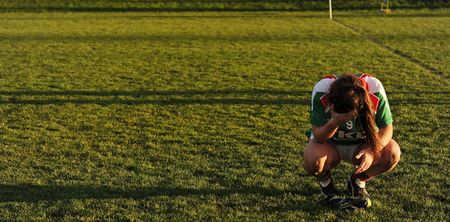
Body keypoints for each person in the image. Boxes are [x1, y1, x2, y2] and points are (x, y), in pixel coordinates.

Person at [303, 73, 401, 208]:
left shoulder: (374, 88)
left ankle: (358, 181)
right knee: (313, 160)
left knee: (392, 152)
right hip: (331, 145)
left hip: (362, 145)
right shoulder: (322, 89)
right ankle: (327, 185)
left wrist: (372, 151)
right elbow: (318, 136)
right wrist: (335, 121)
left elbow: (387, 128)